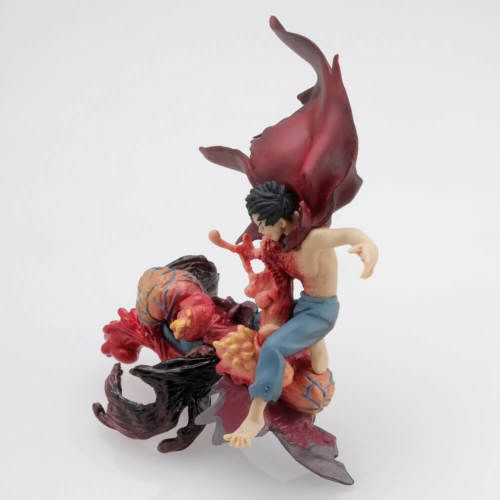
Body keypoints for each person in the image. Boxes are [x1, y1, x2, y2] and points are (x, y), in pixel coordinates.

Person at [223, 181, 378, 448]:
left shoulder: (313, 240)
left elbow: (352, 233)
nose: (260, 231)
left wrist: (367, 247)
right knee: (261, 323)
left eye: (262, 225)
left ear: (282, 221)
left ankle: (255, 415)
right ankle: (312, 365)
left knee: (273, 347)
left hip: (321, 311)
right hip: (304, 304)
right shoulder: (283, 242)